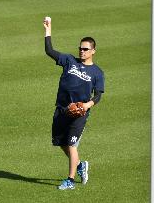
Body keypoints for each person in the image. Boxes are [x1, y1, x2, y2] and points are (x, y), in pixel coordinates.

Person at [43, 17, 105, 190]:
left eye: (85, 49)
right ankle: (80, 166)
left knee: (71, 144)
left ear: (93, 51)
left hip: (80, 113)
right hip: (62, 109)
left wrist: (87, 105)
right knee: (61, 143)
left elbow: (98, 95)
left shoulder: (97, 73)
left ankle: (70, 180)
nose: (82, 51)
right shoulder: (69, 61)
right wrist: (48, 30)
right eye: (80, 48)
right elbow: (49, 51)